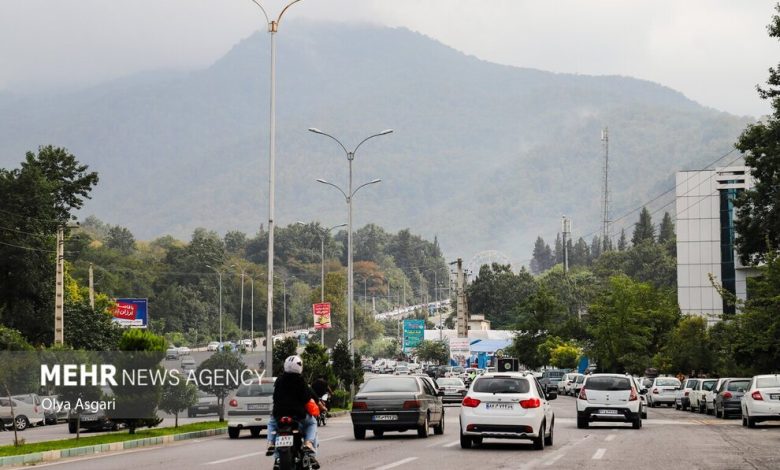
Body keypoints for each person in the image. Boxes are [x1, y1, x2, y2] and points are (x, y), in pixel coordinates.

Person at [266, 355, 319, 468]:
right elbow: (306, 398)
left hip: (279, 415)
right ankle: (308, 443)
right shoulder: (300, 381)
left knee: (271, 424)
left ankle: (271, 443)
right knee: (312, 423)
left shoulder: (279, 380)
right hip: (298, 416)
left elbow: (275, 397)